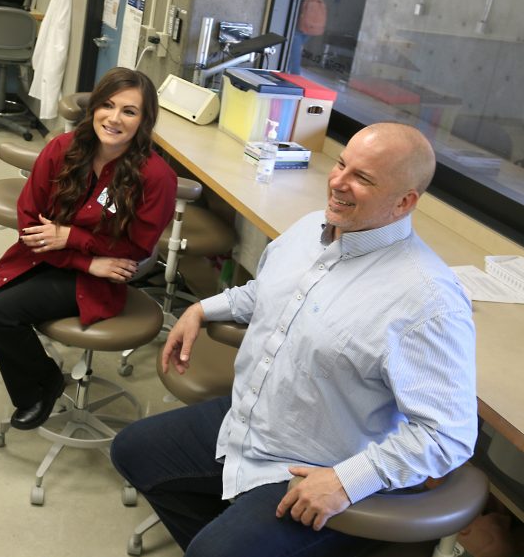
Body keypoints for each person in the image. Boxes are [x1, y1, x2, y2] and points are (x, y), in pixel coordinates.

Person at [111, 122, 478, 557]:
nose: (339, 182)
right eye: (342, 164)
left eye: (362, 178)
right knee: (134, 451)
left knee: (216, 551)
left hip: (316, 466)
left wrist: (347, 480)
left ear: (405, 202)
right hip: (252, 421)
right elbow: (268, 292)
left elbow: (447, 436)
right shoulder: (311, 229)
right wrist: (202, 309)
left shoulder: (427, 300)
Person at [0, 67, 178, 462]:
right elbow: (30, 223)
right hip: (46, 260)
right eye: (107, 105)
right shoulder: (61, 149)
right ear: (93, 107)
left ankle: (40, 384)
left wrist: (71, 239)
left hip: (98, 280)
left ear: (144, 121)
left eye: (129, 112)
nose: (114, 118)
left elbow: (135, 247)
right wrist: (84, 256)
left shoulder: (154, 176)